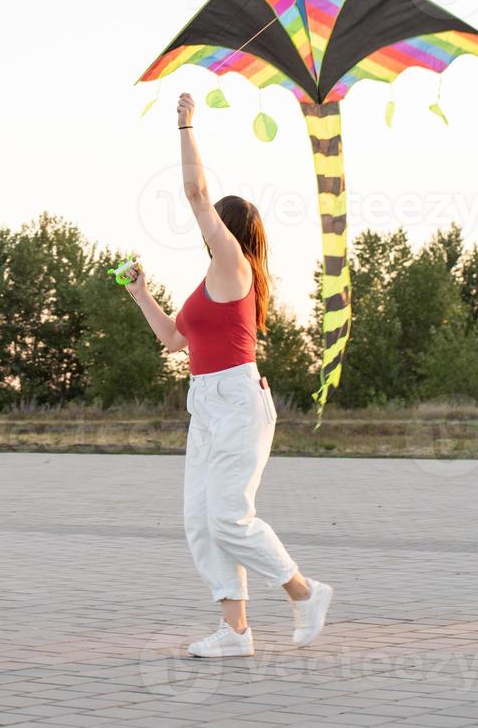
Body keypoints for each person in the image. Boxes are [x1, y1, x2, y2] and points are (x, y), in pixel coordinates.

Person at [122, 92, 333, 658]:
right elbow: (172, 341)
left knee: (229, 517)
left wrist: (186, 123)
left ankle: (305, 592)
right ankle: (235, 633)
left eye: (215, 224)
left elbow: (195, 193)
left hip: (238, 401)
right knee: (201, 519)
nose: (204, 227)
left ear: (229, 230)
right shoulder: (208, 283)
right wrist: (141, 293)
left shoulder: (233, 266)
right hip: (207, 404)